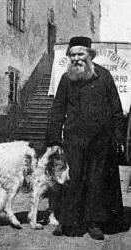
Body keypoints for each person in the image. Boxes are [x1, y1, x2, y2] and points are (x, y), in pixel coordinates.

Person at [47, 36, 127, 240]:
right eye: (72, 55)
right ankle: (67, 221)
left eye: (80, 54)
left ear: (90, 55)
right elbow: (57, 110)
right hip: (74, 141)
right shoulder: (66, 79)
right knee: (71, 180)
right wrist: (55, 140)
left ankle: (94, 223)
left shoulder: (104, 76)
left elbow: (116, 109)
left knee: (96, 182)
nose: (76, 58)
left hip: (101, 141)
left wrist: (118, 137)